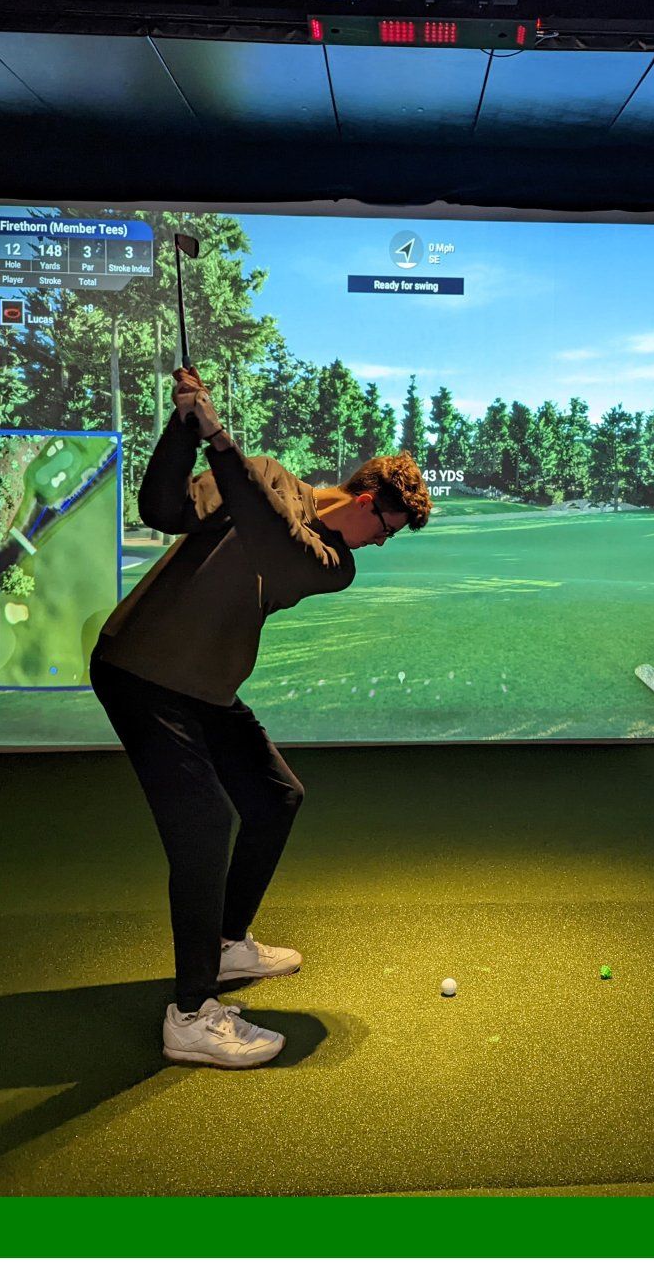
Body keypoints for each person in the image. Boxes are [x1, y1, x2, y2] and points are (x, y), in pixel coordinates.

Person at [90, 366, 432, 1069]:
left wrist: (218, 438)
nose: (381, 543)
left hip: (205, 686)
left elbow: (271, 537)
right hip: (142, 671)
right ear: (365, 499)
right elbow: (162, 507)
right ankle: (190, 1015)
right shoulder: (266, 473)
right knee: (206, 826)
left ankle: (224, 943)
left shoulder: (333, 562)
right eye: (387, 528)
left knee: (276, 798)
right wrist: (184, 428)